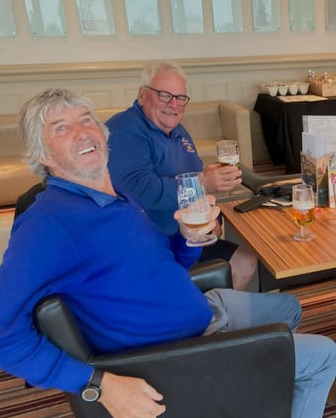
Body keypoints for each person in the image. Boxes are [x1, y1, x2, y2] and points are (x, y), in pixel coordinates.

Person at [0, 89, 336, 418]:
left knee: (288, 308)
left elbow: (163, 260)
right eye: (61, 128)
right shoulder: (47, 224)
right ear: (43, 155)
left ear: (102, 131)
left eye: (85, 119)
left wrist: (187, 237)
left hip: (201, 310)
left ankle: (248, 416)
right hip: (178, 354)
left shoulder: (116, 195)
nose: (82, 132)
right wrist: (96, 384)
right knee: (324, 354)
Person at [106, 60, 257, 291]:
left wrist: (213, 222)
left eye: (180, 98)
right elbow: (136, 188)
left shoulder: (177, 130)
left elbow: (195, 185)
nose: (174, 105)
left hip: (190, 233)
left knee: (245, 261)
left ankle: (214, 320)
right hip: (151, 246)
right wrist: (203, 181)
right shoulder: (126, 130)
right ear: (142, 95)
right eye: (165, 95)